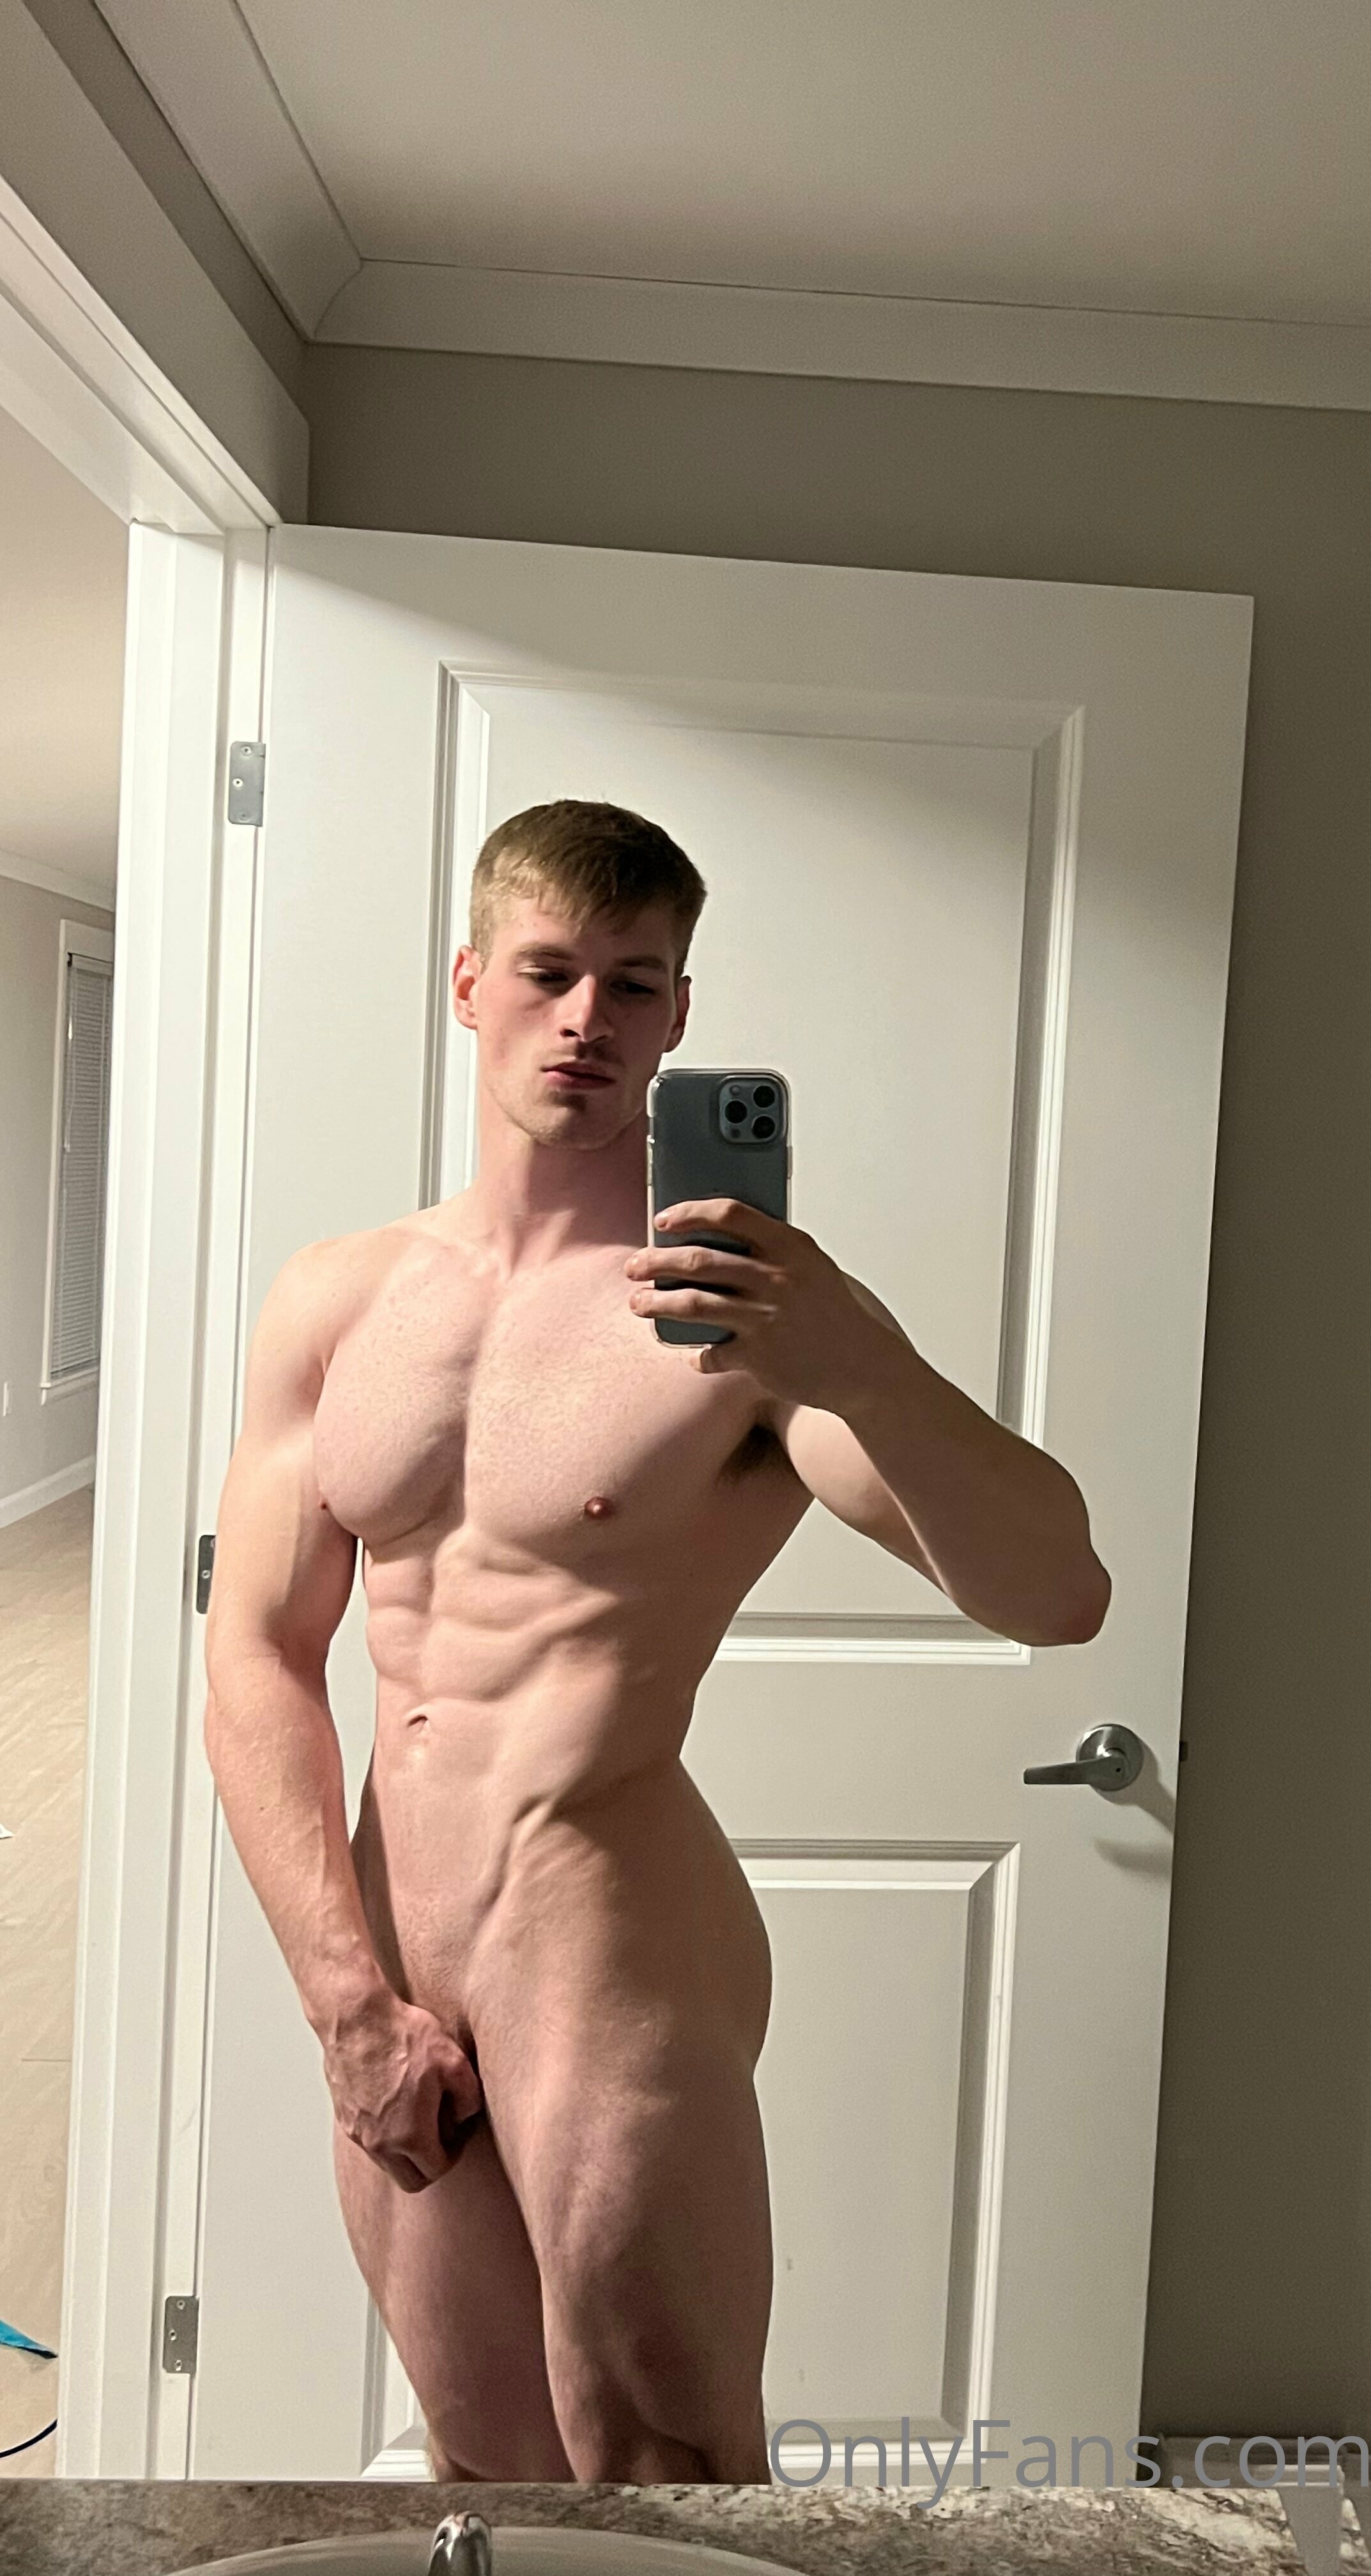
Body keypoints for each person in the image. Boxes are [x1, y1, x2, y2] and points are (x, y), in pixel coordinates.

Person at [202, 799, 1110, 2485]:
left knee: (665, 2465)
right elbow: (258, 1656)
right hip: (392, 1943)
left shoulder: (746, 1317)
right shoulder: (341, 1299)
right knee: (489, 2459)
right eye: (548, 973)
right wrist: (344, 1998)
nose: (586, 1020)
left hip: (597, 1926)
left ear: (681, 1014)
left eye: (634, 983)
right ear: (468, 982)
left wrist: (860, 1364)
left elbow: (1055, 1592)